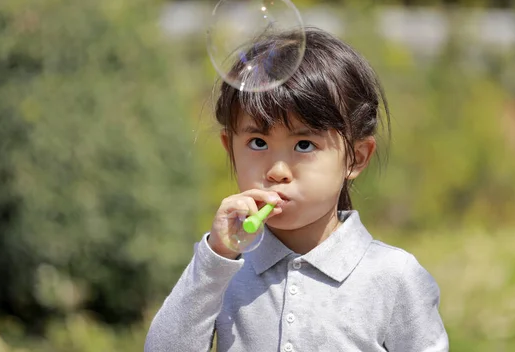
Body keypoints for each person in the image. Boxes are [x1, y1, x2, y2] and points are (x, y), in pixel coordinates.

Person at [144, 28, 448, 352]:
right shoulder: (225, 270)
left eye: (304, 144)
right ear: (229, 147)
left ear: (356, 158)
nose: (277, 171)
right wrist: (215, 258)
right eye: (257, 143)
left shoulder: (394, 276)